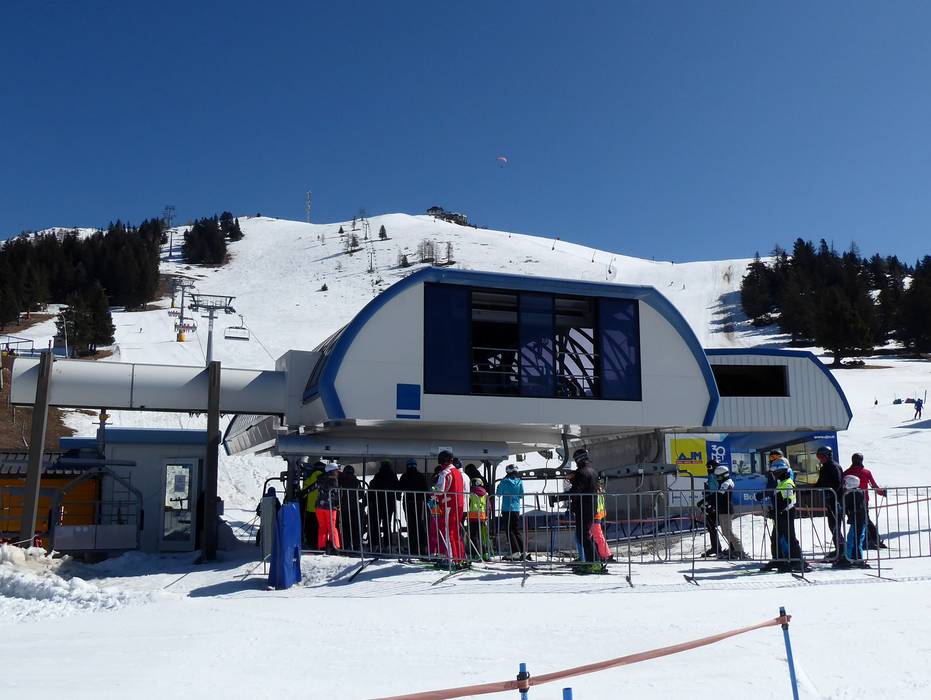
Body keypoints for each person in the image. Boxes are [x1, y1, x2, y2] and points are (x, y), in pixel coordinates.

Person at [761, 461, 810, 573]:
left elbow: (787, 501)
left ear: (780, 472)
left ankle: (798, 562)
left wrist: (776, 511)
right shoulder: (782, 482)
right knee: (776, 538)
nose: (774, 475)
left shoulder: (787, 483)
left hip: (786, 513)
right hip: (780, 514)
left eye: (775, 473)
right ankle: (778, 560)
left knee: (790, 538)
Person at [567, 448, 601, 573]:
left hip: (583, 508)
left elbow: (577, 490)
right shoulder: (592, 471)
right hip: (590, 507)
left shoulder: (582, 473)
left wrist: (561, 496)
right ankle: (593, 561)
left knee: (584, 536)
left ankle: (593, 563)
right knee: (586, 536)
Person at [843, 453, 887, 549]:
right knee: (865, 520)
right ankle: (873, 540)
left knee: (857, 521)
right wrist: (882, 492)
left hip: (850, 501)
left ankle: (868, 540)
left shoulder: (846, 473)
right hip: (863, 500)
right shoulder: (866, 472)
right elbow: (873, 485)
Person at [814, 445, 847, 564]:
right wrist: (808, 490)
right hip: (830, 501)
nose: (820, 459)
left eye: (822, 457)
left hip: (837, 501)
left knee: (835, 526)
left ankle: (842, 551)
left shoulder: (834, 466)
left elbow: (837, 483)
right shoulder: (824, 468)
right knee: (832, 526)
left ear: (828, 456)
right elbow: (820, 483)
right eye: (819, 457)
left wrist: (831, 494)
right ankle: (840, 549)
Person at [434, 450, 466, 566]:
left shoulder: (445, 473)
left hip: (449, 505)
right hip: (459, 504)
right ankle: (460, 557)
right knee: (456, 531)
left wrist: (433, 493)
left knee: (448, 532)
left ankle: (451, 558)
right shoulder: (457, 472)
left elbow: (439, 490)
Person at [712, 464, 747, 559]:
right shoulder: (725, 483)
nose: (717, 479)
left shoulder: (726, 483)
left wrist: (708, 500)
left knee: (728, 532)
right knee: (725, 532)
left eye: (718, 477)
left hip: (726, 510)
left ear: (724, 475)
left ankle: (740, 550)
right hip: (723, 510)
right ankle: (733, 549)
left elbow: (719, 495)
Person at [398, 459, 429, 555]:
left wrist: (398, 496)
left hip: (408, 502)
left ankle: (413, 547)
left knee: (411, 524)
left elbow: (399, 489)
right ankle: (422, 547)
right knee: (419, 524)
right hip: (418, 502)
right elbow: (425, 489)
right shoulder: (420, 476)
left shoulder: (405, 476)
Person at [368, 460, 400, 552]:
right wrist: (398, 496)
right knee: (387, 524)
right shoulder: (393, 476)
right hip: (389, 503)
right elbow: (397, 487)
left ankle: (376, 543)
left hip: (377, 502)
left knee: (376, 524)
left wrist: (370, 500)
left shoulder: (378, 475)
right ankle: (387, 544)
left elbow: (372, 487)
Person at [497, 464, 525, 560]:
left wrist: (499, 486)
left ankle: (515, 551)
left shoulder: (504, 481)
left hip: (507, 508)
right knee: (516, 530)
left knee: (509, 531)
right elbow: (521, 495)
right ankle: (523, 551)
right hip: (516, 508)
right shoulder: (519, 481)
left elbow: (498, 494)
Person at [842, 474, 870, 568]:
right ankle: (852, 557)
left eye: (845, 483)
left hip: (858, 520)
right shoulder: (856, 492)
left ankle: (855, 559)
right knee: (853, 538)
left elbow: (848, 505)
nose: (844, 485)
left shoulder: (854, 493)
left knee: (854, 539)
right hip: (858, 520)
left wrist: (842, 508)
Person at [315, 463, 342, 553]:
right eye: (336, 471)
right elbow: (336, 494)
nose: (337, 473)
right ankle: (335, 547)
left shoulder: (320, 479)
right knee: (332, 528)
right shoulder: (334, 480)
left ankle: (322, 547)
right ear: (331, 471)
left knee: (322, 527)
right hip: (330, 507)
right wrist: (338, 504)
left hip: (319, 506)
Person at [338, 465, 366, 552]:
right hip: (355, 507)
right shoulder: (356, 481)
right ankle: (356, 546)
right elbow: (361, 494)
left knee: (345, 527)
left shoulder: (341, 481)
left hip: (344, 507)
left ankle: (346, 545)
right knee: (355, 527)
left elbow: (339, 493)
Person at [697, 459, 722, 557]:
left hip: (715, 503)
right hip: (711, 501)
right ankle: (715, 547)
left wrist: (709, 502)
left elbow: (715, 491)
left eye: (709, 467)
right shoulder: (711, 476)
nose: (708, 469)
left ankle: (728, 548)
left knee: (717, 526)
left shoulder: (715, 476)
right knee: (711, 526)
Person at [300, 461, 326, 549]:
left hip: (310, 508)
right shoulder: (325, 478)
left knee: (310, 527)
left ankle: (310, 543)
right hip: (322, 507)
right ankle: (320, 544)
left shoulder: (310, 479)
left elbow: (304, 492)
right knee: (321, 527)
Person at [466, 477, 493, 561]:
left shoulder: (470, 493)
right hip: (482, 516)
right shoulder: (485, 494)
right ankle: (485, 553)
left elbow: (468, 504)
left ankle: (477, 554)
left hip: (472, 516)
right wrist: (487, 516)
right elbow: (488, 506)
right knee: (481, 536)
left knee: (474, 536)